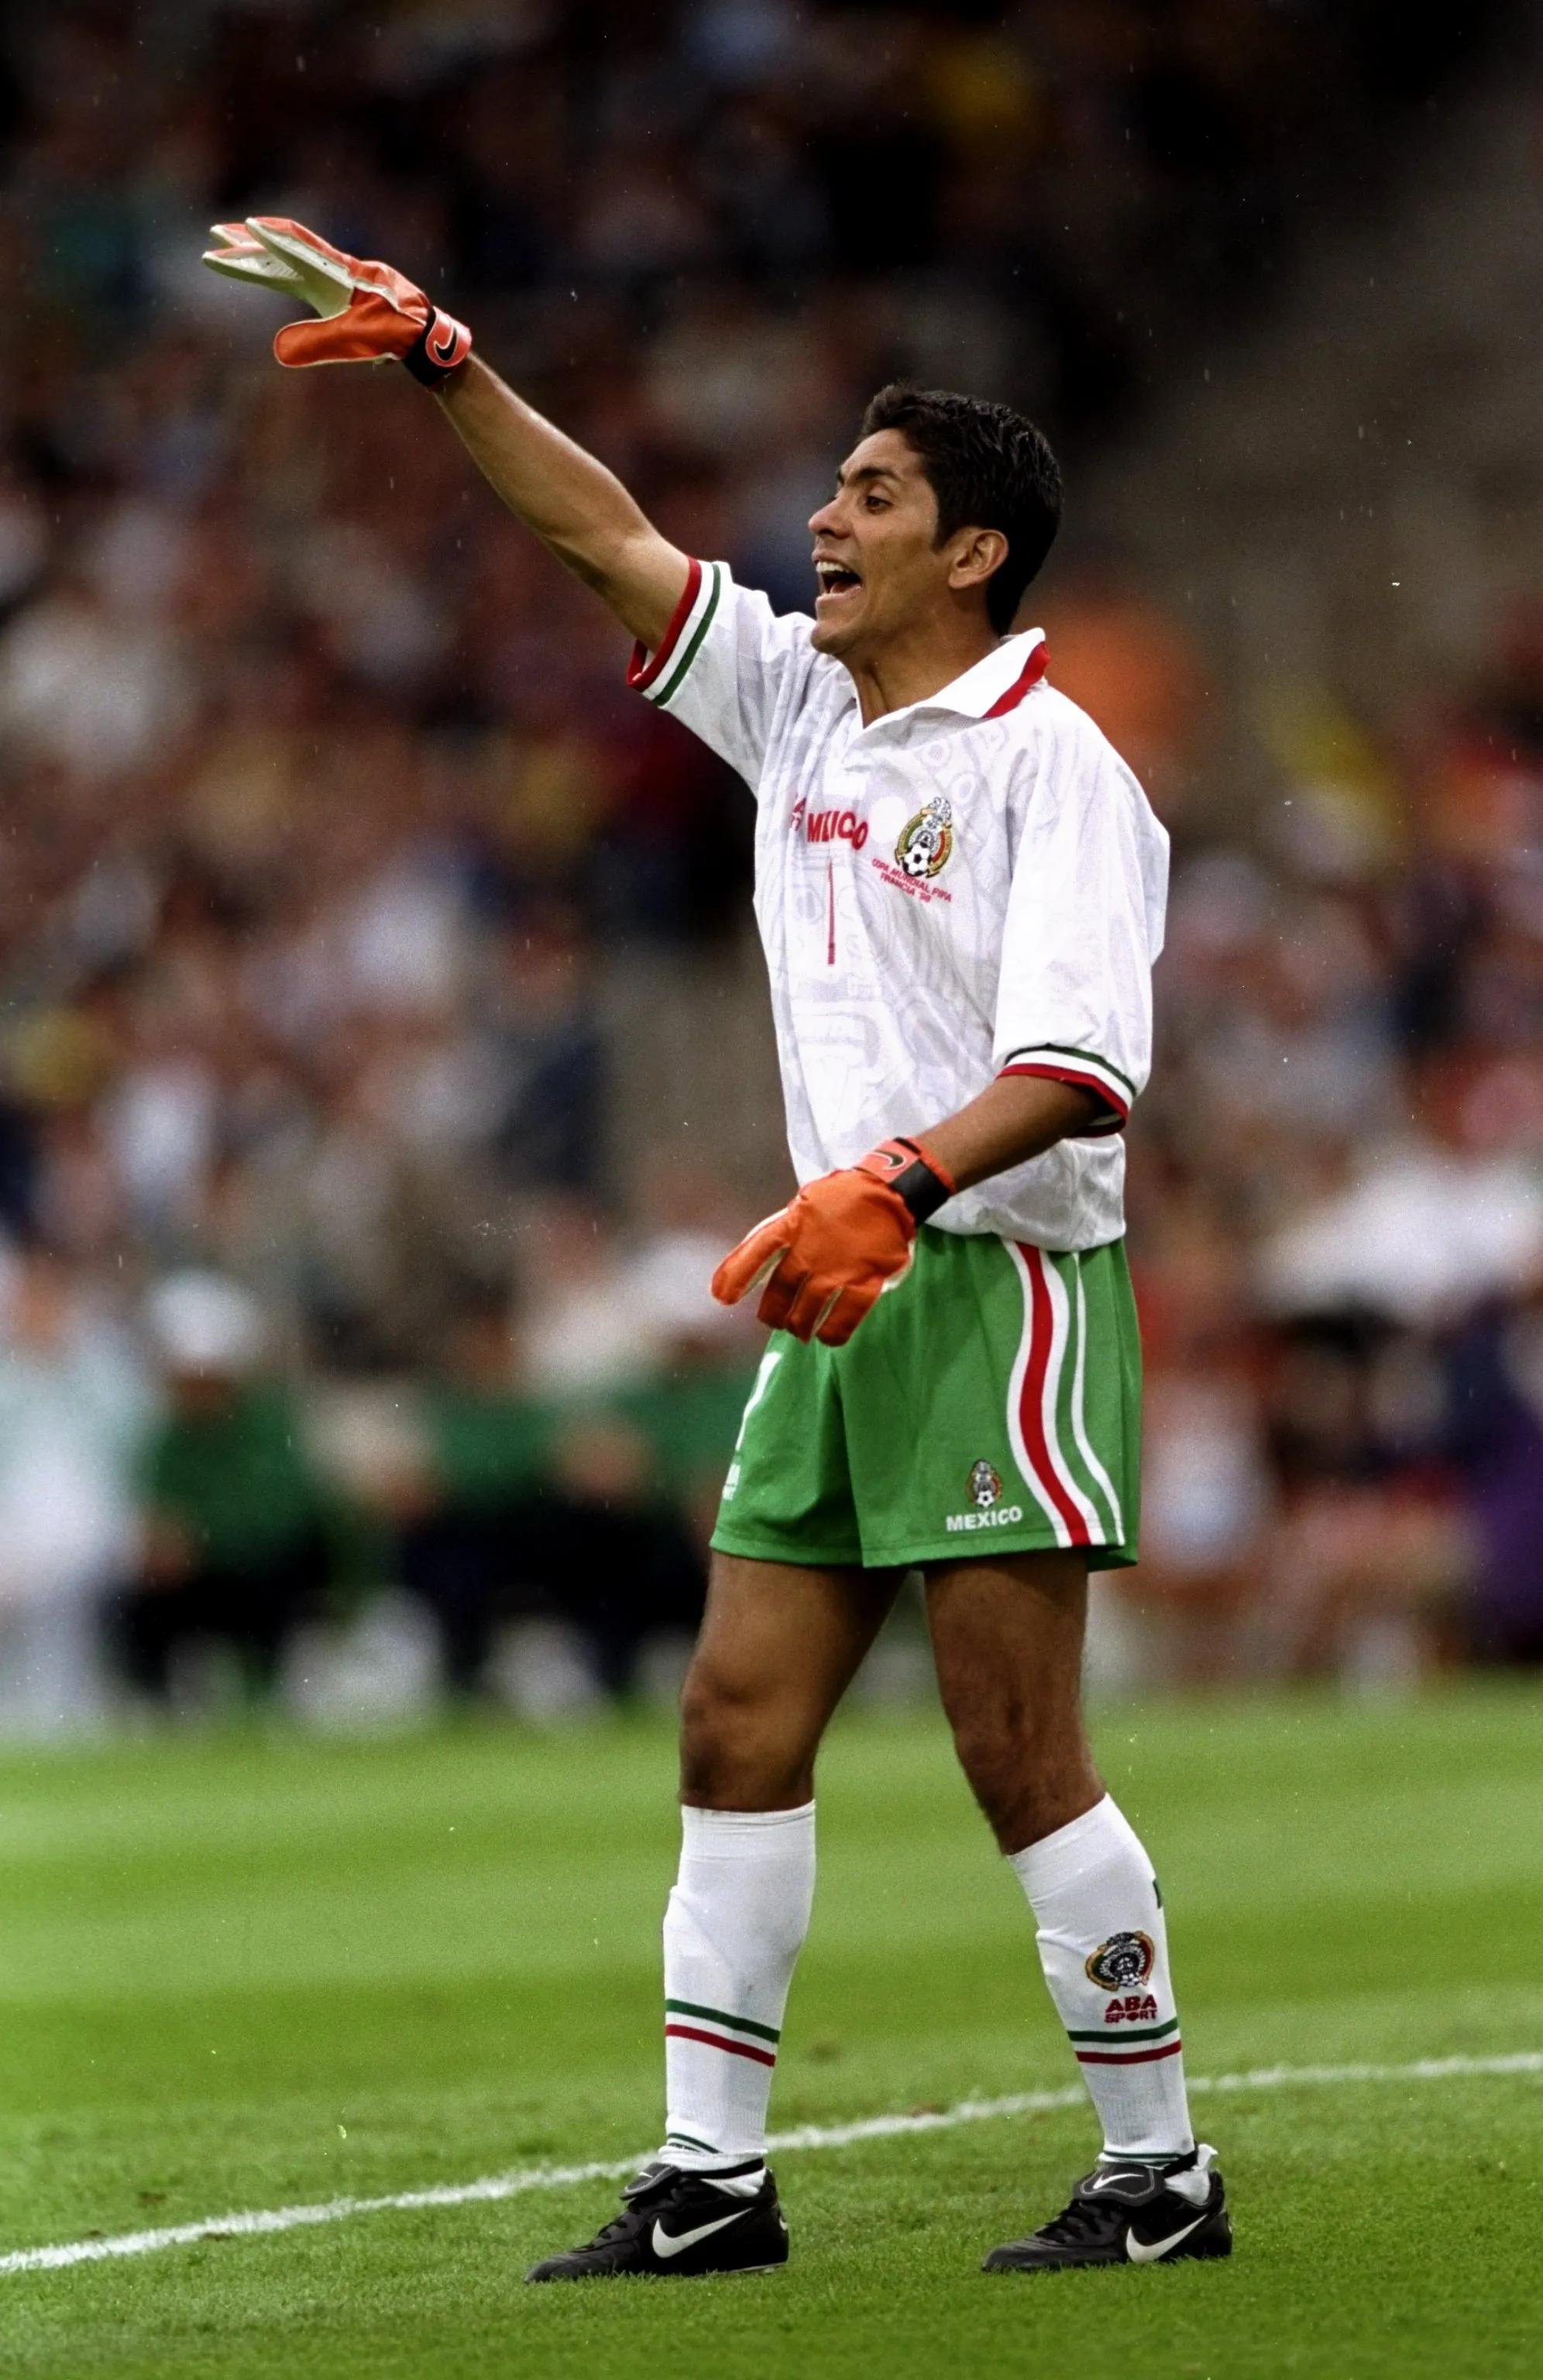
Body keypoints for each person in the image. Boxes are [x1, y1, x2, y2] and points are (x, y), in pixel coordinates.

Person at [206, 218, 1229, 2279]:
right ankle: (712, 2181)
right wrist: (447, 364)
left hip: (997, 1286)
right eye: (833, 488)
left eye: (875, 496)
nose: (823, 520)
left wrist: (895, 1187)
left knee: (1015, 1750)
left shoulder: (1053, 767)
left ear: (974, 555)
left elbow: (1080, 1070)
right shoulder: (804, 713)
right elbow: (605, 543)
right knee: (731, 1724)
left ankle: (1161, 2173)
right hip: (838, 1289)